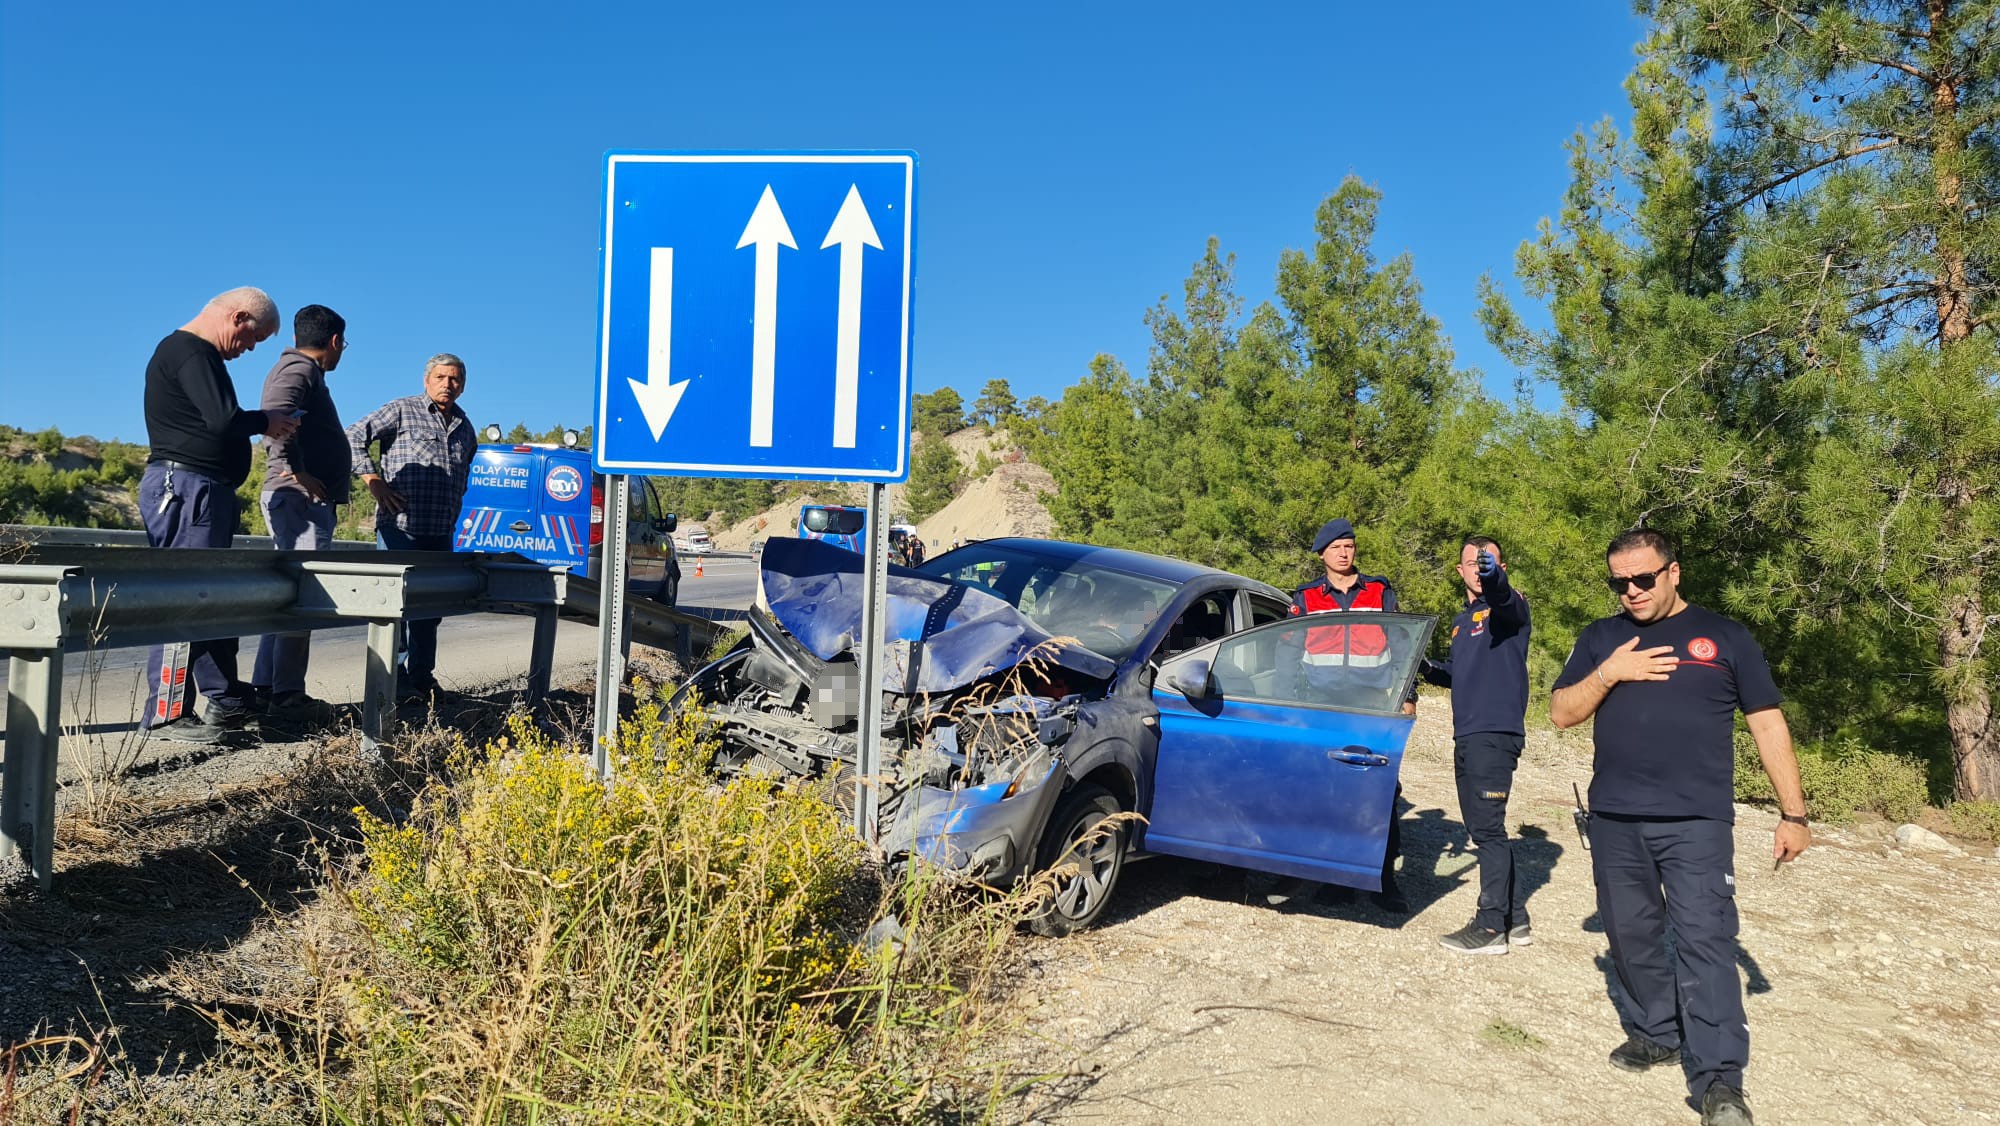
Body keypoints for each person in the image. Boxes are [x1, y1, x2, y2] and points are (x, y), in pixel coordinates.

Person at [1551, 528, 1809, 1126]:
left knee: (1705, 941)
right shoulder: (1602, 638)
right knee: (1631, 935)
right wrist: (1610, 671)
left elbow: (1767, 724)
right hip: (1614, 818)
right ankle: (1656, 1032)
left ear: (1673, 572)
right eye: (1620, 582)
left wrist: (1792, 812)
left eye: (1643, 578)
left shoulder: (1726, 637)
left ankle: (1719, 1080)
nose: (1632, 592)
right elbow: (1562, 712)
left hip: (1695, 821)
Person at [139, 287, 299, 743]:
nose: (248, 349)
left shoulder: (195, 354)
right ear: (239, 317)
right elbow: (223, 419)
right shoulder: (190, 351)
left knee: (210, 598)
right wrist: (265, 420)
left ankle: (225, 698)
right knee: (185, 598)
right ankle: (168, 712)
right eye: (253, 339)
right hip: (187, 489)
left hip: (201, 490)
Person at [1287, 517, 1413, 912]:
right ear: (1322, 554)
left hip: (1372, 704)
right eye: (1336, 547)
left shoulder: (1378, 591)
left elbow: (1403, 645)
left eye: (1350, 546)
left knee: (1380, 791)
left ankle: (1383, 880)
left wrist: (1409, 695)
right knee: (1330, 789)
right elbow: (1287, 652)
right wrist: (1286, 697)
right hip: (1323, 706)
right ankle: (1337, 879)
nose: (1345, 553)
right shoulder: (1306, 598)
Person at [1421, 536, 1534, 954]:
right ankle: (1515, 918)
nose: (1480, 569)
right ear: (1459, 570)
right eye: (1474, 563)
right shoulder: (1461, 620)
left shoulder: (1509, 609)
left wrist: (1496, 580)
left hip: (1495, 731)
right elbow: (1461, 671)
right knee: (1485, 829)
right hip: (1467, 731)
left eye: (1488, 563)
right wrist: (1429, 668)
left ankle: (1489, 930)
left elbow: (1505, 598)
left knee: (1486, 829)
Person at [345, 353, 476, 699]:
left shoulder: (465, 427)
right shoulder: (402, 410)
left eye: (455, 379)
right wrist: (374, 481)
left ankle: (421, 676)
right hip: (399, 529)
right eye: (441, 377)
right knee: (395, 607)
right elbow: (353, 436)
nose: (448, 384)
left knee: (430, 611)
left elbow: (462, 476)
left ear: (463, 385)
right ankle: (393, 680)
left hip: (440, 532)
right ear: (426, 380)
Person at [249, 305, 351, 732]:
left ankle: (269, 690)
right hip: (296, 499)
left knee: (288, 600)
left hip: (300, 499)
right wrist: (296, 469)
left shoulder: (301, 371)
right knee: (301, 597)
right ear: (333, 342)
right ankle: (287, 695)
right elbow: (277, 416)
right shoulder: (298, 371)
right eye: (343, 343)